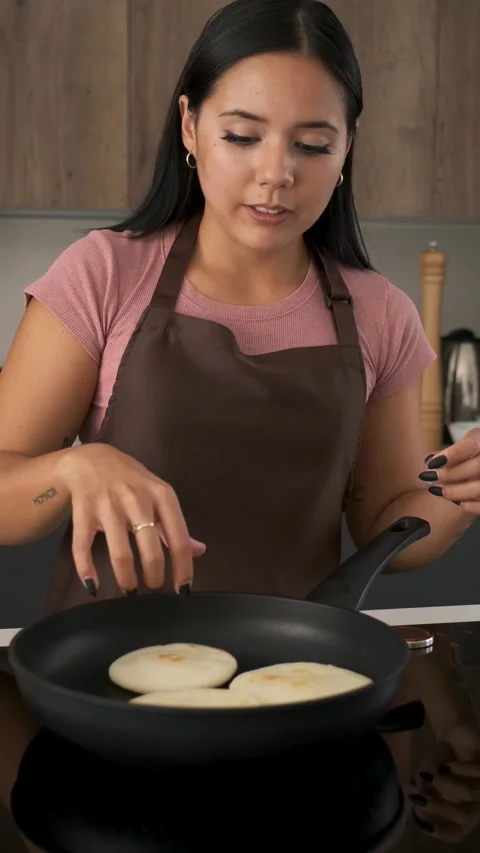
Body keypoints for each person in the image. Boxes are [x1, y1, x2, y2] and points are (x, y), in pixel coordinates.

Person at [0, 0, 478, 612]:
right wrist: (70, 471)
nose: (276, 173)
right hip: (106, 678)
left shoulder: (381, 313)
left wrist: (463, 497)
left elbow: (387, 528)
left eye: (311, 145)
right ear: (189, 127)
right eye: (242, 136)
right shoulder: (104, 275)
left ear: (346, 149)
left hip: (298, 679)